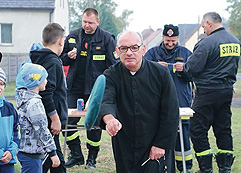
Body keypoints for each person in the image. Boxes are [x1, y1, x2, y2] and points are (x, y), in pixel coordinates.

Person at [98, 30, 179, 172]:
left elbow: (171, 111)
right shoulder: (111, 74)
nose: (129, 52)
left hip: (155, 143)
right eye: (123, 48)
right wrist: (110, 119)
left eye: (134, 48)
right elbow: (106, 99)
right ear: (117, 51)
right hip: (125, 143)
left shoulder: (160, 73)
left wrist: (161, 144)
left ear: (143, 49)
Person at [174, 12, 241, 172]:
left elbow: (193, 68)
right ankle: (225, 168)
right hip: (227, 92)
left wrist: (183, 67)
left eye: (204, 26)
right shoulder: (235, 42)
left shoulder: (206, 43)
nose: (203, 29)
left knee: (197, 129)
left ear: (209, 23)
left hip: (207, 93)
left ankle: (206, 169)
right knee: (223, 129)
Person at [60, 7, 117, 169]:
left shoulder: (106, 39)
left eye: (90, 23)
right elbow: (62, 59)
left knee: (94, 124)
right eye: (85, 22)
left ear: (97, 22)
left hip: (95, 90)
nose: (87, 25)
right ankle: (76, 154)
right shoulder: (72, 37)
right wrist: (68, 57)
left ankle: (92, 158)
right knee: (67, 122)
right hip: (74, 88)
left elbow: (113, 66)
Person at [144, 24, 193, 173]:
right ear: (163, 38)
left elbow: (194, 75)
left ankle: (185, 167)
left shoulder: (186, 53)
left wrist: (184, 69)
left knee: (183, 135)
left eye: (173, 40)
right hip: (157, 101)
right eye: (167, 40)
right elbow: (142, 72)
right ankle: (158, 164)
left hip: (181, 100)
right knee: (158, 131)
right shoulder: (152, 53)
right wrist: (154, 66)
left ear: (177, 38)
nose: (170, 43)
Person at [30, 23, 68, 173]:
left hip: (44, 120)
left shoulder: (40, 59)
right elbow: (46, 93)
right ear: (61, 41)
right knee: (53, 161)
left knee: (53, 160)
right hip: (49, 121)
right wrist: (55, 119)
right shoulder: (52, 62)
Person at [16, 63, 60, 173]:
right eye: (45, 78)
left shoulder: (24, 99)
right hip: (32, 154)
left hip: (26, 151)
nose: (47, 81)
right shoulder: (34, 104)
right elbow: (42, 130)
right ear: (37, 81)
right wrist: (53, 153)